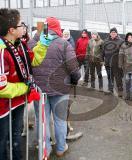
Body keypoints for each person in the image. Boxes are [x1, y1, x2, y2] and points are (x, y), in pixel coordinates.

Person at [0, 8, 52, 160]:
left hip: (16, 103)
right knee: (2, 141)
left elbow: (33, 60)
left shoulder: (19, 44)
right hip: (3, 108)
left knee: (15, 138)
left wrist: (43, 45)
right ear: (11, 30)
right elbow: (2, 87)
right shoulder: (2, 51)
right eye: (21, 24)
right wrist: (26, 87)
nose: (24, 27)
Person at [31, 17, 80, 158]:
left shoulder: (34, 42)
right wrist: (75, 80)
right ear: (57, 28)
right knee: (60, 119)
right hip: (60, 88)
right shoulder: (64, 44)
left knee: (42, 120)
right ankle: (60, 148)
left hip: (39, 90)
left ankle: (44, 150)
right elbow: (73, 67)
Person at [102, 27, 124, 97]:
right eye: (112, 32)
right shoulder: (105, 41)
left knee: (118, 78)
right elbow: (102, 52)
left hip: (117, 63)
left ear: (117, 33)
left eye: (114, 32)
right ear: (110, 33)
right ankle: (110, 89)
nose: (113, 33)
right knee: (109, 77)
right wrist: (102, 60)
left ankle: (120, 90)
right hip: (108, 63)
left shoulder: (121, 41)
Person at [119, 32, 132, 101]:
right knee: (127, 83)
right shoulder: (123, 45)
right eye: (128, 37)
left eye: (131, 37)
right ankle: (127, 95)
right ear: (127, 38)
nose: (130, 38)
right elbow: (121, 55)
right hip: (126, 67)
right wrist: (120, 64)